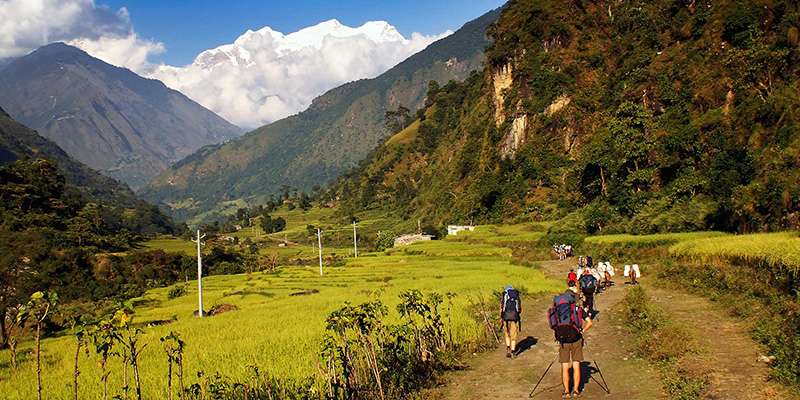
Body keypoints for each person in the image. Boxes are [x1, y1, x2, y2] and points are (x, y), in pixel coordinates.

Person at [548, 282, 593, 398]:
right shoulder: (578, 309)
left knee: (564, 367)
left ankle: (566, 392)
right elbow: (590, 322)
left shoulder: (557, 309)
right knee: (576, 365)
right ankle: (576, 391)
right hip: (576, 338)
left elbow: (553, 324)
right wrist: (582, 331)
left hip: (563, 340)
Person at [500, 285, 521, 358]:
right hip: (514, 317)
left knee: (507, 333)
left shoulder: (504, 295)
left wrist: (501, 317)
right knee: (513, 336)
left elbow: (502, 308)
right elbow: (519, 309)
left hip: (505, 317)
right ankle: (513, 352)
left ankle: (508, 349)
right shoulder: (516, 296)